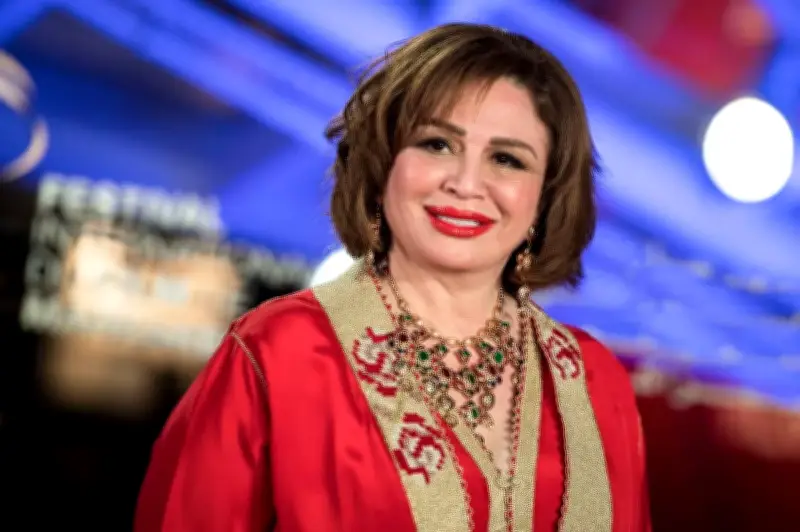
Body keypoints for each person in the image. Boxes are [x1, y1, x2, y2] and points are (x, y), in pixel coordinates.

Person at [134, 23, 651, 532]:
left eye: (506, 159)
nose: (466, 183)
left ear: (545, 196)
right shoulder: (278, 351)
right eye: (437, 144)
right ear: (384, 165)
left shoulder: (594, 379)